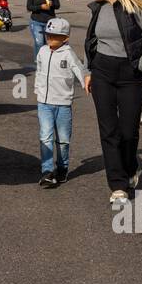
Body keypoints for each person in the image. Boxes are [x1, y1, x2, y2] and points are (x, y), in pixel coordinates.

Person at [83, 0, 142, 205]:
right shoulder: (98, 9)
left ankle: (129, 169)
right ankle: (118, 185)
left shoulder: (133, 5)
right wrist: (88, 71)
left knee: (128, 131)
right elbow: (91, 41)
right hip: (102, 72)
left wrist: (141, 64)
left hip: (129, 74)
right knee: (109, 131)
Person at [34, 17, 85, 188]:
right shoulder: (42, 51)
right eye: (48, 35)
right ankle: (47, 171)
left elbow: (80, 70)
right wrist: (38, 91)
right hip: (44, 103)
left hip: (63, 104)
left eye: (54, 36)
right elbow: (39, 72)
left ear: (65, 38)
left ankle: (62, 169)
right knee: (45, 137)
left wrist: (88, 83)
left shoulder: (69, 54)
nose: (50, 38)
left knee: (63, 140)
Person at [26, 0, 60, 65]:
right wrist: (40, 7)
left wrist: (52, 4)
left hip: (50, 22)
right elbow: (29, 7)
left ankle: (48, 62)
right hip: (36, 21)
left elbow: (58, 5)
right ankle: (38, 62)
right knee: (39, 43)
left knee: (49, 44)